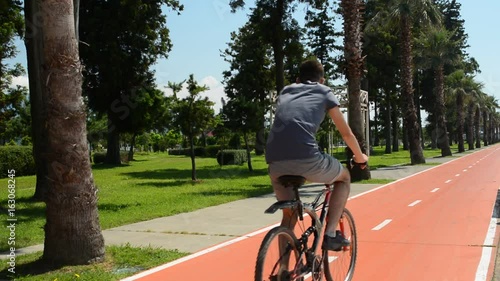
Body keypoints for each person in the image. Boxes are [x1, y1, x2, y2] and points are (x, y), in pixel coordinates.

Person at [265, 59, 369, 251]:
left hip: (274, 161)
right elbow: (346, 133)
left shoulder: (286, 91)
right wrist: (360, 157)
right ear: (321, 80)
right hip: (306, 158)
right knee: (344, 177)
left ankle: (283, 271)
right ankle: (330, 234)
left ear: (297, 79)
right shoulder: (324, 91)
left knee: (288, 217)